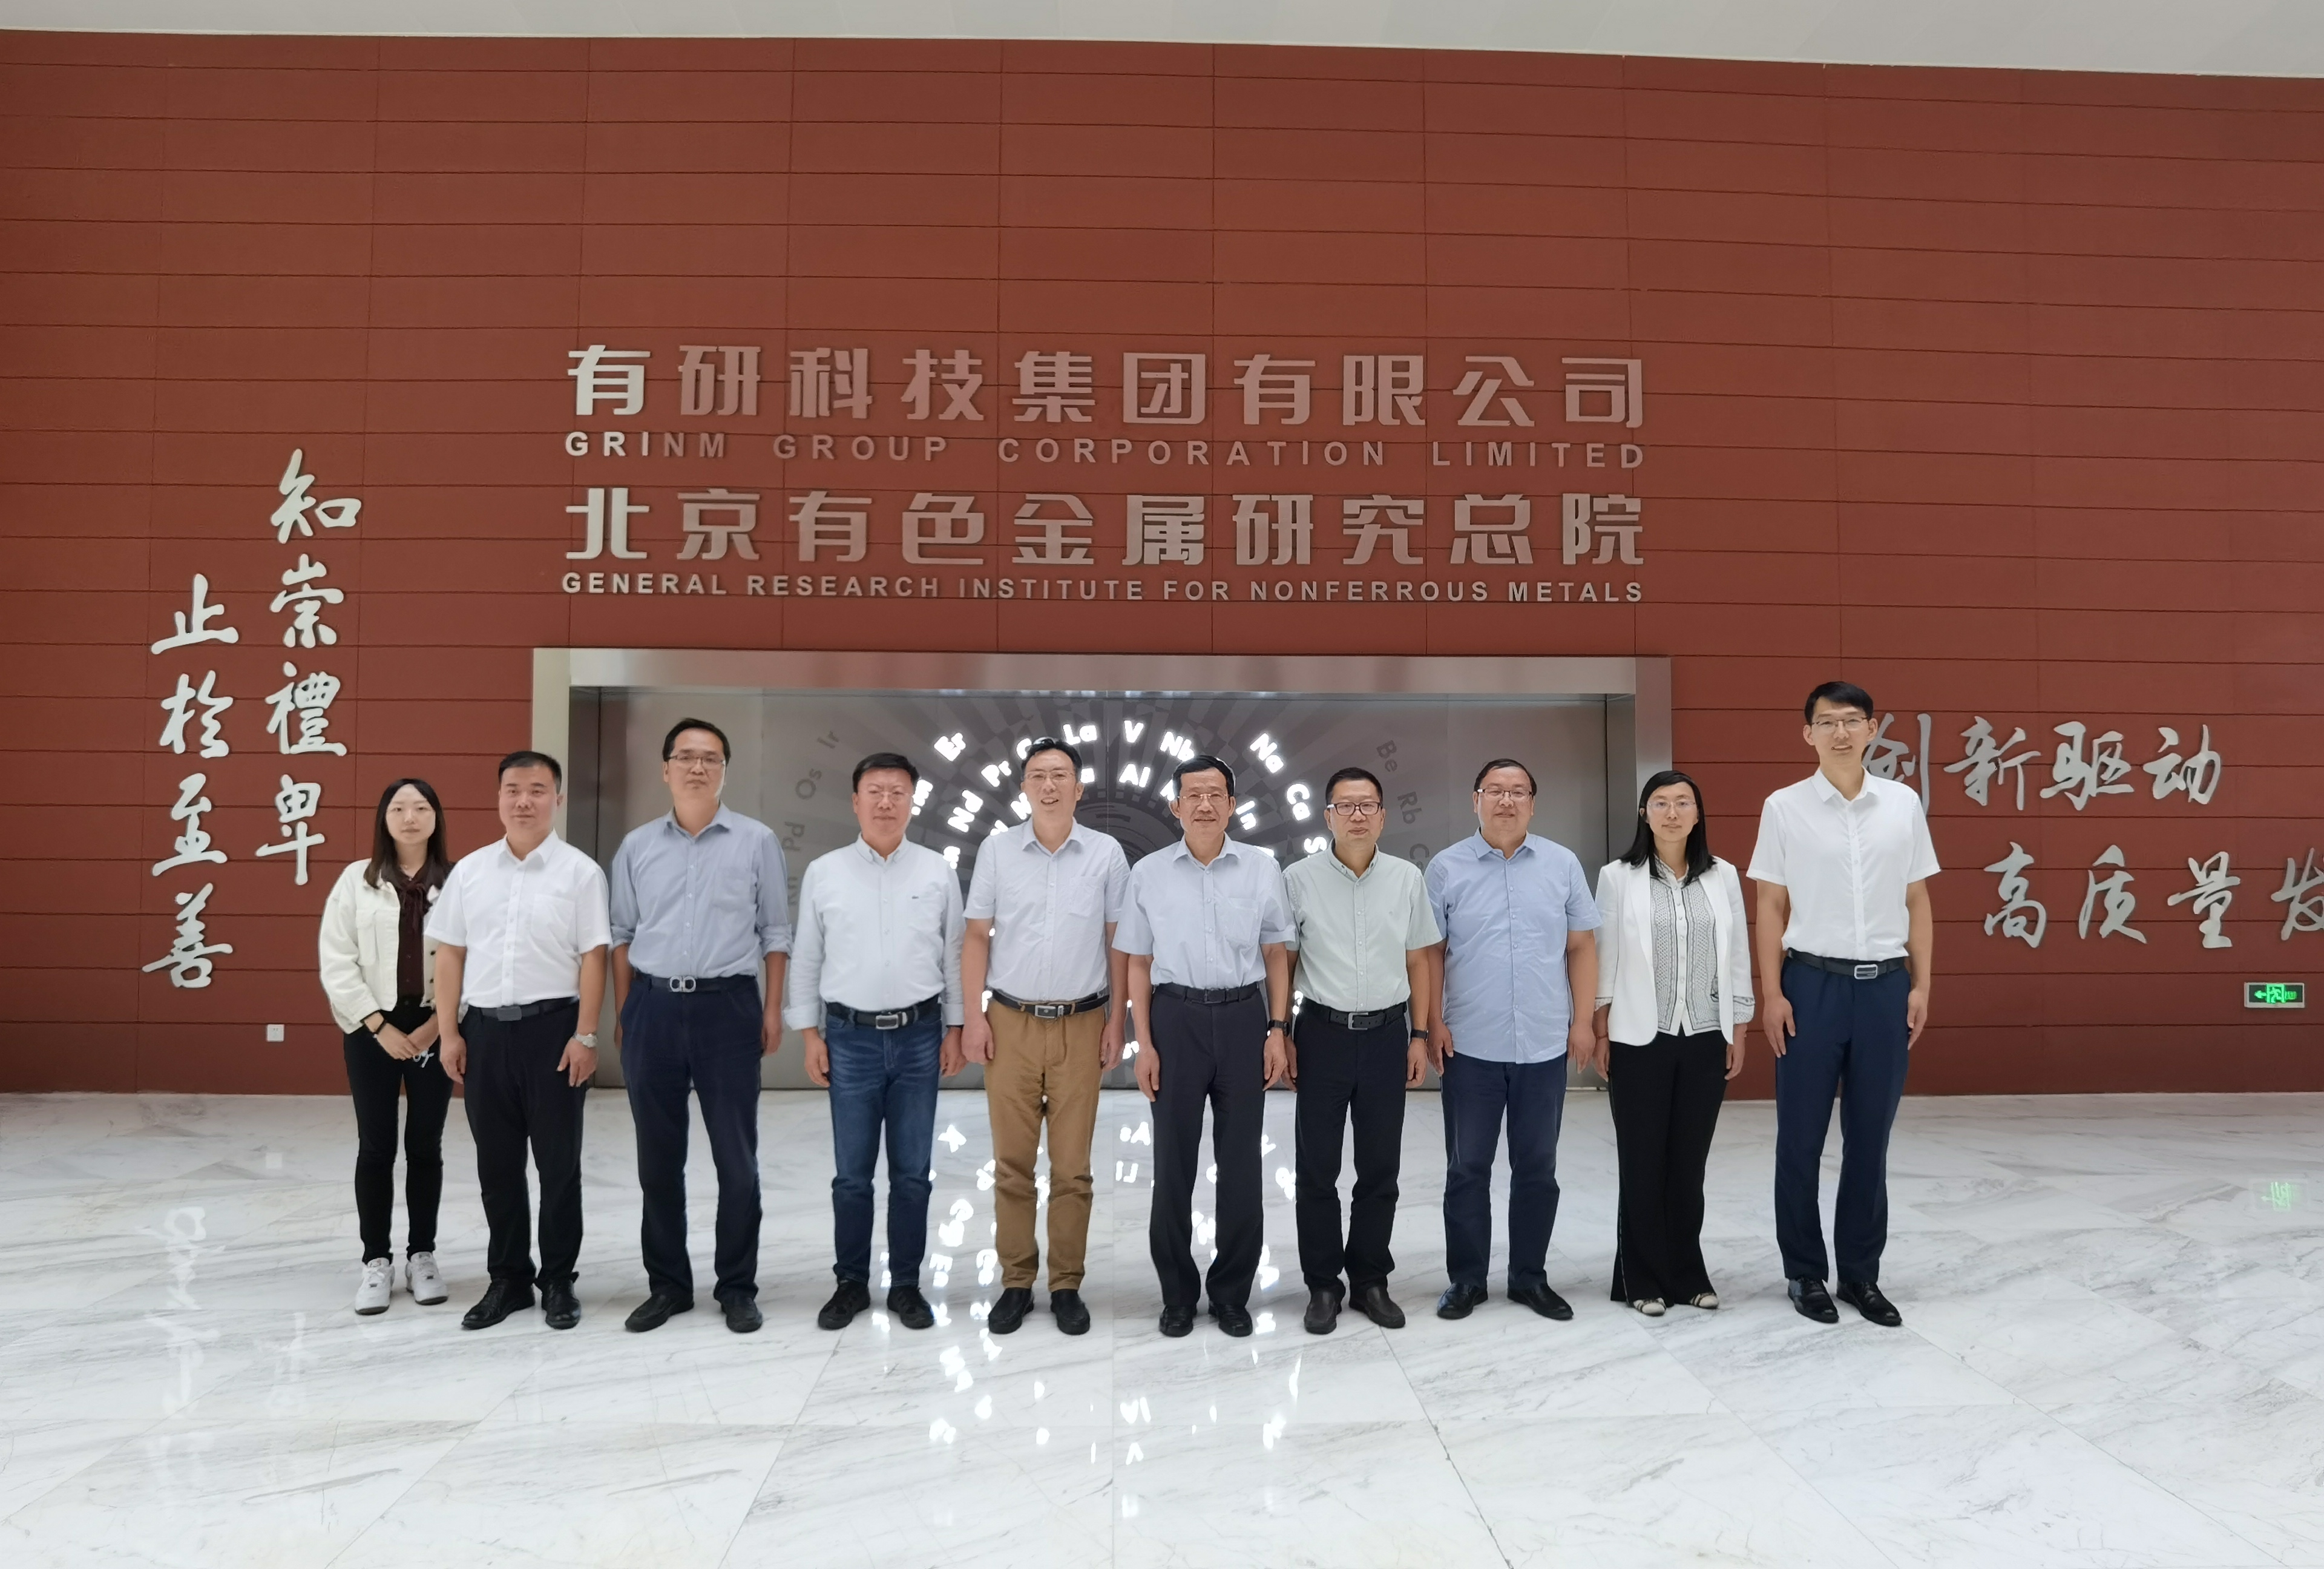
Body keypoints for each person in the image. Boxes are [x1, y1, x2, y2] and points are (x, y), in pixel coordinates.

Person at [1750, 681, 1937, 1328]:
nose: (1840, 733)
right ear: (1807, 733)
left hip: (1885, 987)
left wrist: (1921, 984)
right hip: (1811, 986)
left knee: (1870, 1139)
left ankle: (1860, 1273)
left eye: (1852, 721)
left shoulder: (1902, 804)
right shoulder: (1784, 807)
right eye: (1827, 722)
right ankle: (1805, 1272)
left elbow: (1917, 899)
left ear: (1873, 729)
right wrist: (1772, 993)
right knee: (1800, 1138)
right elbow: (1770, 905)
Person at [608, 717, 791, 1337]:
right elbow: (621, 933)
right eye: (685, 757)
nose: (697, 767)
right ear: (665, 769)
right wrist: (626, 1012)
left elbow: (775, 933)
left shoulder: (757, 841)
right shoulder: (637, 846)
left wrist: (772, 1010)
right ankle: (668, 1286)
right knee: (658, 1162)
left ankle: (737, 1286)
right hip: (653, 1006)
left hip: (728, 1008)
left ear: (724, 772)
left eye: (710, 758)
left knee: (737, 1161)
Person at [428, 750, 610, 1332]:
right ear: (499, 798)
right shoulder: (470, 871)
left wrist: (586, 1035)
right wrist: (450, 1033)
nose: (524, 801)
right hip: (484, 1032)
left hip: (554, 1033)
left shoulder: (580, 872)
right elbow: (450, 954)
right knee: (497, 1166)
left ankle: (558, 1279)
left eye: (537, 790)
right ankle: (508, 1279)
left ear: (558, 799)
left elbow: (594, 958)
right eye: (513, 789)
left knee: (559, 1167)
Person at [1115, 753, 1294, 1340]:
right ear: (1175, 806)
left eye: (1216, 794)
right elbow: (1138, 962)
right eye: (1193, 794)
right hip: (1176, 1020)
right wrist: (1145, 1044)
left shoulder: (1261, 868)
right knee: (1173, 1166)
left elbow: (1276, 953)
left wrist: (1277, 1029)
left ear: (1233, 805)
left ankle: (1231, 1295)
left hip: (1244, 1018)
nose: (1205, 804)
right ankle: (1177, 1295)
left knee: (1241, 1166)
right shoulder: (1149, 874)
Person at [785, 752, 965, 1333]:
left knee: (912, 1173)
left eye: (897, 792)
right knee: (852, 1175)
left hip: (920, 1036)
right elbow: (807, 956)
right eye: (875, 791)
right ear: (856, 801)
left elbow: (954, 954)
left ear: (913, 801)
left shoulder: (936, 871)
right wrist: (809, 1034)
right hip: (849, 1038)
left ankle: (907, 1285)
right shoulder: (826, 872)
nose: (886, 802)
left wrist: (956, 1028)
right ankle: (850, 1284)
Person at [960, 736, 1129, 1338]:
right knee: (1011, 1164)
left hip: (1083, 1023)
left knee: (1072, 1168)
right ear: (1024, 787)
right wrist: (973, 1016)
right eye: (1038, 775)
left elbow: (1119, 943)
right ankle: (1015, 1282)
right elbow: (976, 935)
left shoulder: (1106, 854)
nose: (1049, 785)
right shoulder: (998, 850)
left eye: (1060, 775)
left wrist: (1117, 1021)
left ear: (1079, 789)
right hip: (1010, 1022)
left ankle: (1066, 1285)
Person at [1425, 758, 1600, 1323]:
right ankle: (1467, 1280)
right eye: (1495, 791)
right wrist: (1432, 1020)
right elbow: (1431, 953)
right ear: (1475, 800)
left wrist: (1582, 1022)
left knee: (1537, 1170)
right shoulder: (1446, 868)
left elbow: (1582, 947)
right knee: (1467, 1169)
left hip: (1544, 1044)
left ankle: (1529, 1278)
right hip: (1469, 1045)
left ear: (1533, 803)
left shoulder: (1562, 864)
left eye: (1518, 791)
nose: (1506, 801)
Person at [1284, 765, 1440, 1335]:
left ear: (1382, 816)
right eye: (1345, 806)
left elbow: (1419, 960)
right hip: (1320, 1034)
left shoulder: (1406, 878)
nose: (1356, 815)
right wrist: (1281, 1031)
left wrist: (1419, 1036)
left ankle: (1371, 1280)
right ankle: (1323, 1285)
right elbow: (1285, 961)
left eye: (1367, 805)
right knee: (1317, 1170)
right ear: (1328, 816)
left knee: (1380, 1169)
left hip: (1386, 1036)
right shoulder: (1297, 879)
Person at [1591, 770, 1753, 1317]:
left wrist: (1739, 1028)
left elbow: (1737, 954)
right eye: (1660, 803)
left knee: (1689, 1163)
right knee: (1642, 1161)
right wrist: (1601, 1029)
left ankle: (1688, 1275)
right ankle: (1640, 1279)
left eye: (1683, 802)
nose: (1672, 812)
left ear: (1698, 814)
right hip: (1639, 1036)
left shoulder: (1723, 875)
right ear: (1644, 813)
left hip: (1706, 1035)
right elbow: (1606, 957)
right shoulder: (1618, 877)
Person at [318, 778, 453, 1316]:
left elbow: (476, 957)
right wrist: (378, 1025)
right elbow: (336, 960)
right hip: (371, 1028)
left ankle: (423, 1255)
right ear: (384, 818)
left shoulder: (460, 881)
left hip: (435, 1026)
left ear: (436, 817)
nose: (410, 817)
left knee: (425, 1145)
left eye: (421, 807)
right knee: (376, 1147)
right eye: (399, 808)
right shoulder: (357, 880)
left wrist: (438, 1025)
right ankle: (376, 1261)